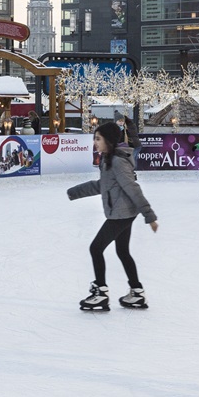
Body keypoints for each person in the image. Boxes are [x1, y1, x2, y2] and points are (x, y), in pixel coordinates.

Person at [66, 121, 159, 311]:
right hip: (122, 212)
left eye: (98, 139)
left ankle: (100, 293)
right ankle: (137, 292)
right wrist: (75, 192)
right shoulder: (108, 160)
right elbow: (102, 185)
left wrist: (149, 215)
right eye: (94, 138)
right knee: (122, 251)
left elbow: (133, 188)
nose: (95, 143)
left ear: (108, 140)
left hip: (121, 214)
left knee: (96, 248)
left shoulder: (117, 162)